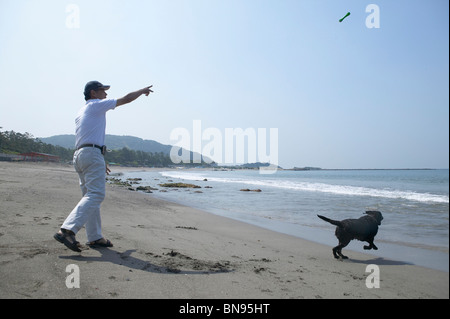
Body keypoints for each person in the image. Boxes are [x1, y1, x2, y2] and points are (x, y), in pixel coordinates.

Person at [54, 81, 153, 252]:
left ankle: (95, 237)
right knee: (96, 195)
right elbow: (126, 99)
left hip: (81, 154)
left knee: (90, 197)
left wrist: (99, 157)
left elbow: (88, 137)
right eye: (103, 91)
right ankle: (67, 230)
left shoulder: (82, 111)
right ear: (93, 93)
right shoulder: (96, 105)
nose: (106, 94)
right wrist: (142, 90)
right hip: (90, 154)